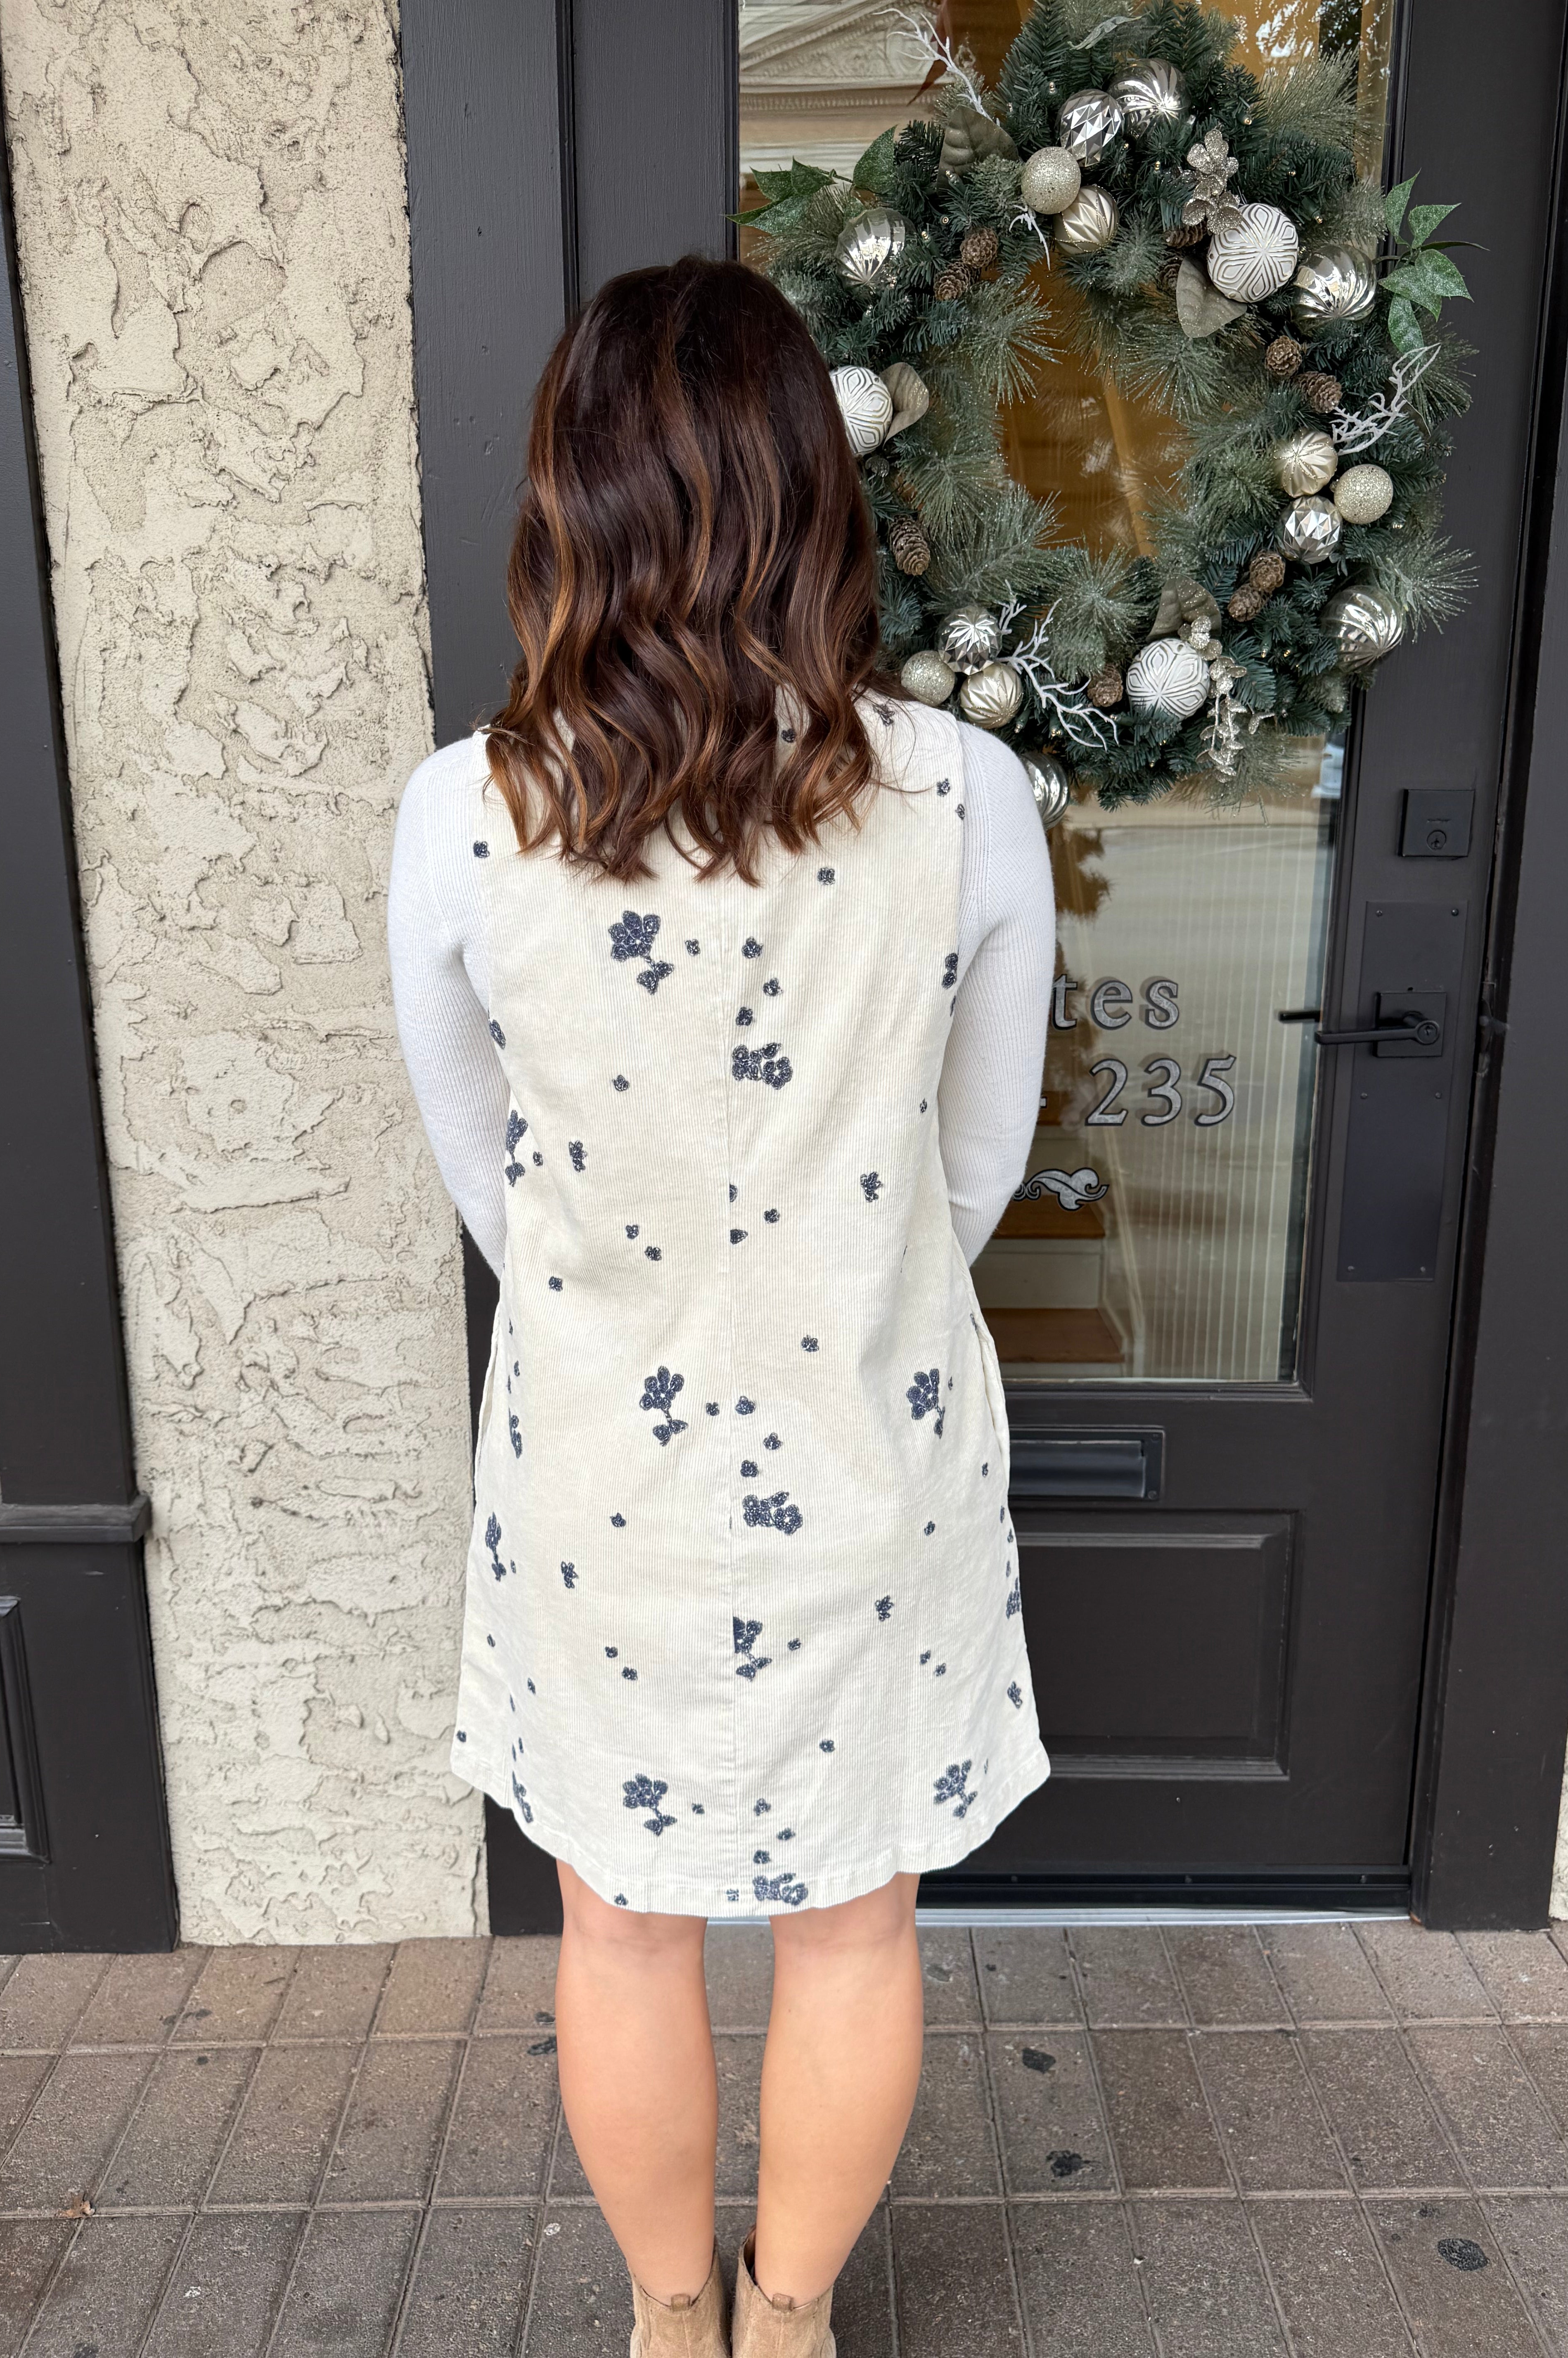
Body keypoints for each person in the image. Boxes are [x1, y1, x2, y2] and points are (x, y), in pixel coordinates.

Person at [390, 255, 1054, 2358]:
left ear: (566, 503)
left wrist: (637, 1303)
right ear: (814, 496)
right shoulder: (966, 799)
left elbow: (489, 1176)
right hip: (871, 1446)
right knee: (855, 1928)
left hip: (602, 1473)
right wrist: (832, 1295)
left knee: (619, 1928)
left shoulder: (466, 815)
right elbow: (977, 1166)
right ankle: (791, 2320)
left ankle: (672, 2320)